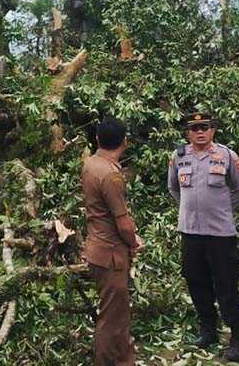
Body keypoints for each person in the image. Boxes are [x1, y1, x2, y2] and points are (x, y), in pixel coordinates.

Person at [167, 111, 239, 362]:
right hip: (190, 234)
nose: (200, 132)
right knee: (196, 282)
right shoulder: (178, 157)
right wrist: (190, 211)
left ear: (213, 130)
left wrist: (221, 211)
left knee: (226, 286)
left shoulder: (227, 156)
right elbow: (173, 188)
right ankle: (208, 331)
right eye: (194, 128)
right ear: (187, 132)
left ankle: (238, 339)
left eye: (205, 127)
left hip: (220, 235)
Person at [82, 116, 143, 366]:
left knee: (117, 313)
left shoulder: (90, 164)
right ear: (125, 142)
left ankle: (123, 360)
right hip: (111, 255)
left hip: (96, 247)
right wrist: (134, 242)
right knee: (112, 318)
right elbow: (123, 222)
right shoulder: (110, 176)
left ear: (97, 139)